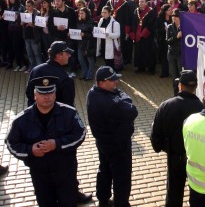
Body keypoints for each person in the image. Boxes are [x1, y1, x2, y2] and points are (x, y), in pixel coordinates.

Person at [6, 76, 87, 207]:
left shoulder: (69, 113)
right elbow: (11, 143)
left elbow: (80, 133)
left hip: (65, 173)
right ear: (35, 95)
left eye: (50, 92)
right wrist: (30, 150)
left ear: (55, 94)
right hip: (40, 176)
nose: (47, 97)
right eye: (42, 93)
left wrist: (57, 144)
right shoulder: (21, 120)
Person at [87, 66, 138, 207]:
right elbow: (133, 111)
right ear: (102, 82)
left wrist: (119, 95)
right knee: (121, 177)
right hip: (118, 145)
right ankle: (121, 203)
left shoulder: (92, 93)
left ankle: (103, 200)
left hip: (103, 143)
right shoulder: (110, 103)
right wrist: (122, 97)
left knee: (104, 171)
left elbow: (120, 94)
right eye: (112, 80)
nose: (116, 83)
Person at [151, 70, 204, 207]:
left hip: (174, 156)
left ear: (180, 85)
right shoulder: (202, 108)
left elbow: (155, 137)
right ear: (196, 86)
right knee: (198, 193)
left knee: (174, 192)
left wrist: (163, 147)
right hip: (196, 158)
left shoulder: (166, 106)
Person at [26, 41, 75, 107]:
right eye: (67, 54)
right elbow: (68, 105)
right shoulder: (66, 79)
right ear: (59, 56)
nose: (69, 56)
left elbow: (29, 94)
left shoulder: (36, 70)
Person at [129, 0, 157, 74]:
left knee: (149, 52)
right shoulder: (136, 11)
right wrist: (134, 33)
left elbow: (151, 23)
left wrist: (143, 33)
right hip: (138, 35)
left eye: (142, 2)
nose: (140, 3)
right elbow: (134, 22)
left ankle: (151, 69)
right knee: (139, 51)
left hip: (147, 36)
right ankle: (141, 67)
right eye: (139, 2)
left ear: (146, 3)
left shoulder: (151, 11)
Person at [166, 8, 182, 82]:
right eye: (172, 16)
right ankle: (176, 93)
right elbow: (168, 41)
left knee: (181, 75)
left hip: (180, 54)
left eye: (176, 16)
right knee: (174, 77)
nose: (174, 17)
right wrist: (176, 37)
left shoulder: (184, 27)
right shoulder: (169, 27)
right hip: (171, 53)